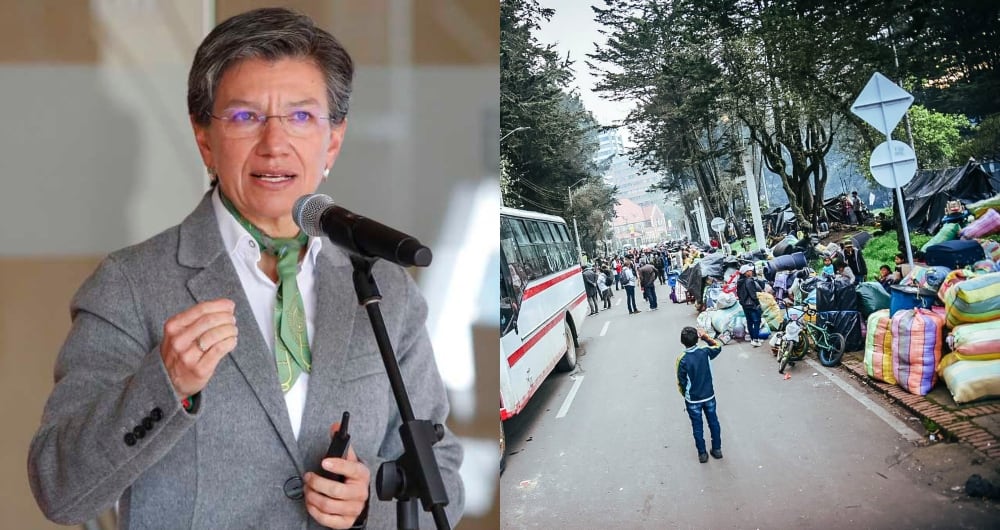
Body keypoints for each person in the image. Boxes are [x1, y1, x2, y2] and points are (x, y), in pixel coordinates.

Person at [26, 9, 463, 529]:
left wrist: (372, 504)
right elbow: (59, 489)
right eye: (244, 117)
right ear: (204, 139)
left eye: (301, 116)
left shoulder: (382, 286)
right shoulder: (130, 284)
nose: (274, 144)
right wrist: (164, 383)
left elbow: (446, 477)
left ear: (335, 139)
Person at [676, 326, 724, 463]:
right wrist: (706, 337)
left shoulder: (682, 359)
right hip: (709, 395)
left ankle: (702, 454)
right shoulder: (705, 351)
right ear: (698, 338)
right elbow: (718, 346)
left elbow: (681, 381)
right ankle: (717, 449)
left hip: (693, 400)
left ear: (682, 341)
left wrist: (686, 395)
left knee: (697, 426)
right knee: (713, 422)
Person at [737, 264, 765, 347]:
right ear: (746, 273)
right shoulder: (749, 281)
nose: (751, 272)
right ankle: (755, 340)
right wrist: (757, 303)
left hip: (744, 304)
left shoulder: (740, 281)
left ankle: (753, 338)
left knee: (749, 321)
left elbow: (738, 294)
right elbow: (752, 294)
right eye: (750, 271)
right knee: (757, 321)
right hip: (751, 304)